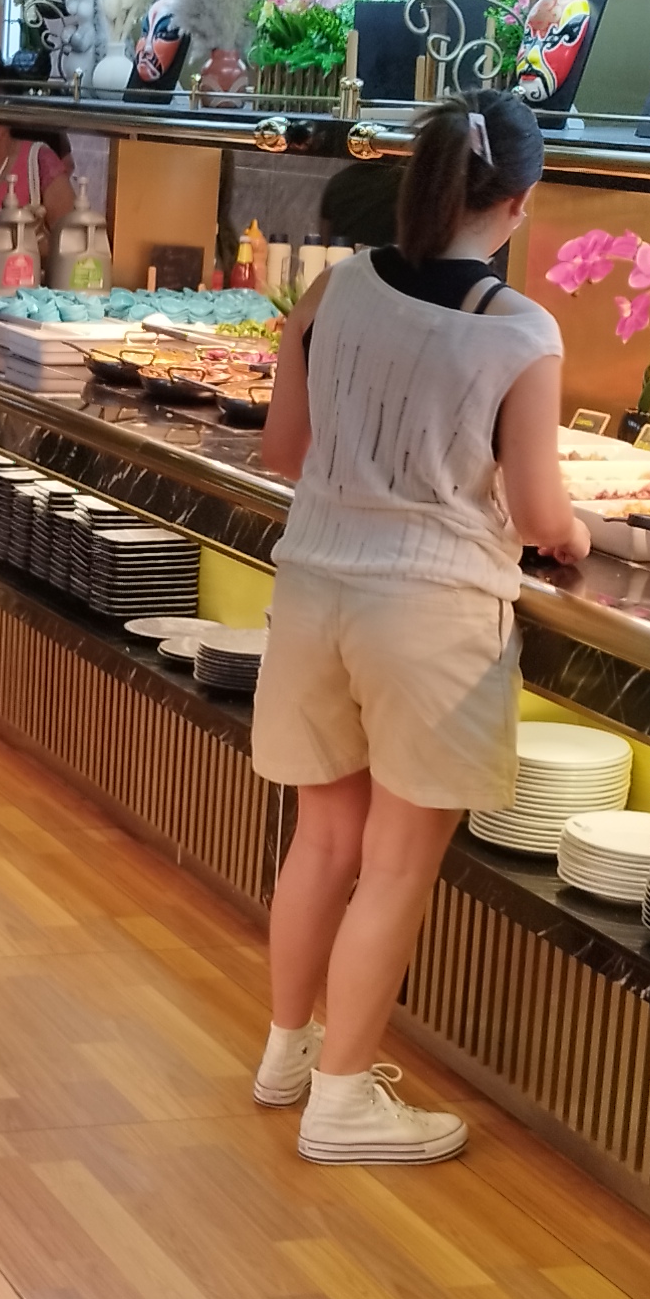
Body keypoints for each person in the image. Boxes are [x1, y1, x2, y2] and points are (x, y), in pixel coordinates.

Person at [250, 89, 589, 1167]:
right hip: (432, 613)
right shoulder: (520, 331)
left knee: (322, 843)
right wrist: (571, 534)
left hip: (314, 587)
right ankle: (343, 1104)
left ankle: (286, 1057)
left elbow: (283, 451)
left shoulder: (335, 287)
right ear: (519, 202)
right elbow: (538, 515)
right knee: (394, 867)